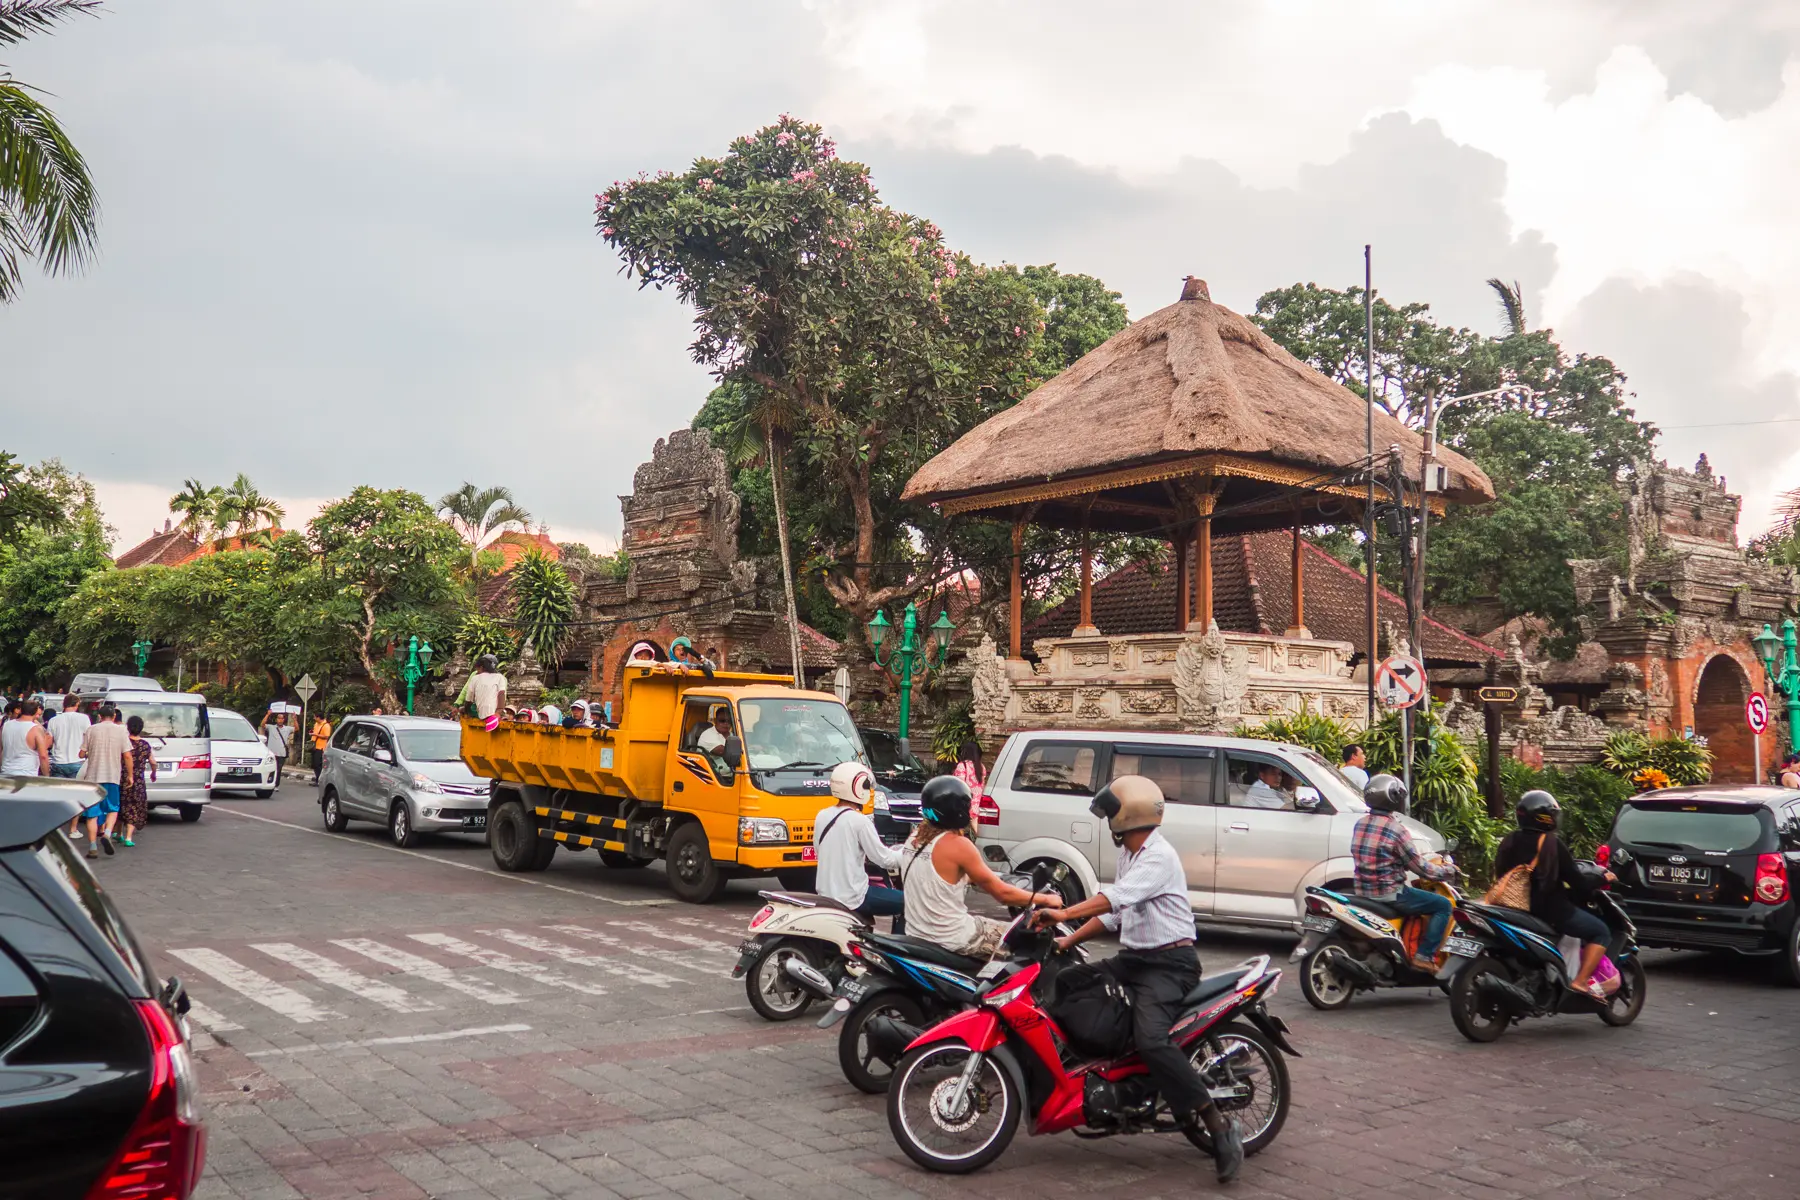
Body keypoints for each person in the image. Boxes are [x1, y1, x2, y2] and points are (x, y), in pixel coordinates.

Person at [1037, 775, 1245, 1182]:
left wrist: (1063, 914)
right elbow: (1115, 914)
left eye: (1112, 813)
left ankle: (1216, 1122)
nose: (1109, 821)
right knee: (1067, 983)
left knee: (1152, 1040)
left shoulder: (1157, 856)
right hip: (1134, 961)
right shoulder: (1132, 855)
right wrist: (1067, 942)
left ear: (1127, 815)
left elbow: (1115, 899)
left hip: (1170, 966)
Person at [897, 775, 1058, 958]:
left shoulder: (915, 838)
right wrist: (1046, 900)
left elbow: (949, 875)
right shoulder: (959, 845)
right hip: (953, 937)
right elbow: (1003, 895)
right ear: (958, 810)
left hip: (917, 934)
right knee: (1026, 939)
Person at [1492, 789, 1616, 999]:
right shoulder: (1551, 844)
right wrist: (1603, 878)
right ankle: (1580, 981)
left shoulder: (1510, 840)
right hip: (1549, 911)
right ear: (1545, 817)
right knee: (1601, 931)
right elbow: (1579, 885)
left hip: (1512, 907)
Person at [1350, 774, 1457, 970]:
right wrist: (1448, 870)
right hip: (1390, 894)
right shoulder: (1396, 830)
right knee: (1442, 905)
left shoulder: (1360, 824)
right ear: (1393, 799)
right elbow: (1422, 869)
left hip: (1362, 891)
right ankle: (1424, 956)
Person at [814, 762, 906, 929]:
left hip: (825, 895)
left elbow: (818, 851)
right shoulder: (859, 821)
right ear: (857, 787)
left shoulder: (822, 815)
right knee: (909, 902)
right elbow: (884, 859)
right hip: (853, 898)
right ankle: (897, 951)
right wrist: (909, 852)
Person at [78, 704, 132, 859]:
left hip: (93, 779)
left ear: (99, 716)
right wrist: (130, 775)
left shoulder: (91, 730)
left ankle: (93, 847)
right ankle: (107, 833)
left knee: (92, 814)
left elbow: (82, 753)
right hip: (112, 777)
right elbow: (127, 755)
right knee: (113, 809)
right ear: (114, 716)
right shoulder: (121, 731)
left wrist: (87, 752)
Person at [118, 715, 156, 848]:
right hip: (138, 780)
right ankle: (128, 837)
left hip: (121, 777)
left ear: (128, 727)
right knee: (134, 806)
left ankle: (118, 833)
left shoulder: (123, 742)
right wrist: (153, 773)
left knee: (121, 804)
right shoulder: (145, 745)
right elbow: (153, 762)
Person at [1, 699, 50, 776]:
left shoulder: (6, 726)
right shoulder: (36, 729)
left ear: (21, 710)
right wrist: (47, 776)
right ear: (35, 712)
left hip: (6, 772)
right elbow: (43, 756)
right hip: (27, 774)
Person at [47, 695, 90, 781]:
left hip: (58, 762)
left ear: (64, 704)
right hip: (77, 761)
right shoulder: (84, 718)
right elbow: (88, 738)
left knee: (59, 792)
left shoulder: (53, 720)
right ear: (77, 704)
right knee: (76, 792)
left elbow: (49, 743)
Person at [458, 654, 509, 724]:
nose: (477, 671)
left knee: (464, 709)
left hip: (479, 713)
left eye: (477, 669)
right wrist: (498, 712)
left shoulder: (475, 677)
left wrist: (466, 711)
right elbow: (502, 695)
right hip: (496, 712)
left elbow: (468, 699)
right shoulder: (501, 677)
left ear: (481, 667)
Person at [260, 711, 292, 788]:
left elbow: (296, 728)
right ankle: (268, 782)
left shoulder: (287, 729)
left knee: (278, 769)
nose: (280, 720)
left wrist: (295, 719)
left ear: (284, 719)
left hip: (281, 753)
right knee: (270, 768)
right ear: (276, 719)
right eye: (278, 718)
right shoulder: (271, 727)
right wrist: (268, 714)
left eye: (282, 718)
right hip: (271, 753)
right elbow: (262, 725)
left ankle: (276, 785)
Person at [309, 713, 332, 785]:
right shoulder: (316, 724)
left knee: (318, 765)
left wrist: (315, 734)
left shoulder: (326, 725)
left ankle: (320, 780)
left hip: (321, 747)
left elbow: (326, 736)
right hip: (314, 746)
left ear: (319, 717)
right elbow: (315, 732)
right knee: (314, 765)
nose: (314, 718)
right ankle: (317, 779)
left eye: (315, 717)